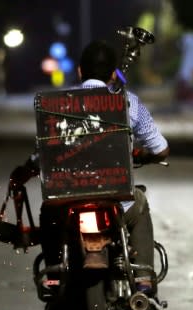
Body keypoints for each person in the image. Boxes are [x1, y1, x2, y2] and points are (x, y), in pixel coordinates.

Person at [9, 40, 169, 294]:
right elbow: (161, 148)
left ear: (80, 71)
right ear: (114, 73)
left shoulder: (57, 105)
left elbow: (43, 155)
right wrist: (144, 155)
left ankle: (53, 277)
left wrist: (25, 170)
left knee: (48, 213)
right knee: (139, 206)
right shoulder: (129, 102)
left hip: (67, 201)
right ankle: (143, 279)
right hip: (116, 201)